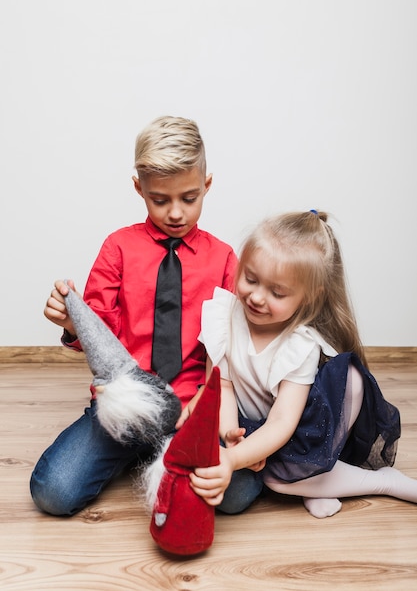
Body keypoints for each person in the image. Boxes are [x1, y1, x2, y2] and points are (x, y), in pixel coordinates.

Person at [30, 115, 238, 516]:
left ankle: (157, 453)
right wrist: (74, 325)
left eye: (189, 198)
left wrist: (203, 401)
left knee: (241, 490)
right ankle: (136, 452)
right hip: (123, 406)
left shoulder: (224, 258)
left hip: (191, 408)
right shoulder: (118, 248)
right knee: (52, 493)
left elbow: (227, 348)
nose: (176, 213)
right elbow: (100, 335)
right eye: (160, 200)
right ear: (139, 188)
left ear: (207, 185)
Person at [190, 210, 417, 519]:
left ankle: (381, 483)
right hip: (250, 423)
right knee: (232, 487)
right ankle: (318, 484)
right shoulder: (222, 318)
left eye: (277, 292)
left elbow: (283, 422)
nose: (256, 297)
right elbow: (222, 387)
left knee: (277, 477)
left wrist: (234, 459)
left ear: (309, 297)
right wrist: (231, 434)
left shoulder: (300, 345)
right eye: (250, 279)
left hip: (298, 427)